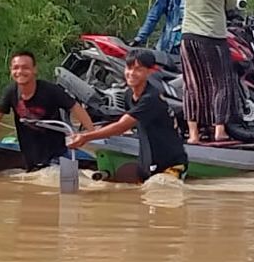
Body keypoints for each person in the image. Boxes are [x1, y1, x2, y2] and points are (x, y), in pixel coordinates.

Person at [68, 49, 188, 180]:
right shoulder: (129, 95)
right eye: (129, 68)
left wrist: (86, 137)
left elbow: (121, 126)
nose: (131, 73)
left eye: (138, 69)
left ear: (150, 71)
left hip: (171, 163)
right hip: (148, 163)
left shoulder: (151, 98)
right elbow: (125, 123)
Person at [0, 51, 95, 171]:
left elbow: (75, 107)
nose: (20, 71)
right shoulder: (11, 92)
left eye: (25, 68)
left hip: (57, 154)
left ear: (34, 70)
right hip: (30, 157)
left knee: (64, 177)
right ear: (11, 71)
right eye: (16, 68)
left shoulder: (50, 90)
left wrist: (90, 134)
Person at [178, 0, 238, 144]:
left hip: (188, 38)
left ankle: (193, 134)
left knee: (191, 85)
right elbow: (231, 4)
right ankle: (219, 130)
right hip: (213, 37)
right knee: (220, 84)